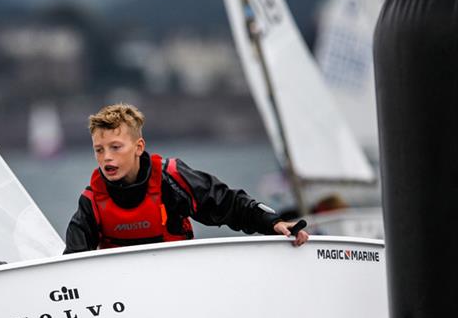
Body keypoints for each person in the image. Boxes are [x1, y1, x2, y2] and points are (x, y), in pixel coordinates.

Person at [64, 103, 309, 253]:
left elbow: (229, 204)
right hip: (123, 297)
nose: (106, 157)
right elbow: (73, 262)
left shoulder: (172, 179)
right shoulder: (92, 201)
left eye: (115, 147)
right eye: (99, 149)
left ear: (139, 147)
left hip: (177, 285)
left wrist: (273, 222)